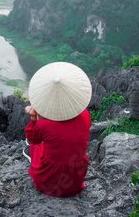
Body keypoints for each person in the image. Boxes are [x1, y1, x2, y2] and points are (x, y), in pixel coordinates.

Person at [23, 61, 92, 198]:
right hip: (75, 179)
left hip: (50, 180)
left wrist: (33, 118)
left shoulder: (45, 125)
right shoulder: (85, 115)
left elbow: (32, 138)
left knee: (37, 145)